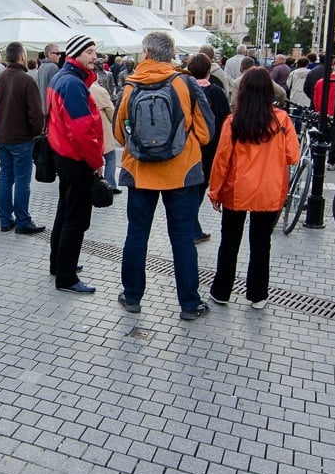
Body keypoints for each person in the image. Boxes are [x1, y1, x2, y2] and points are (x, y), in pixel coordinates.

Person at [113, 32, 215, 320]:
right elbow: (206, 132)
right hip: (181, 173)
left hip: (140, 172)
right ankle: (189, 304)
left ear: (145, 53)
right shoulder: (186, 83)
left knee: (136, 235)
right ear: (171, 54)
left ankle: (132, 296)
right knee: (182, 238)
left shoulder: (131, 85)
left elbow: (120, 132)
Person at [209, 67, 299, 309]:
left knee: (229, 241)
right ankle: (257, 295)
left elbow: (221, 160)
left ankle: (221, 291)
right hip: (269, 191)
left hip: (236, 189)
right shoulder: (282, 120)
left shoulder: (233, 121)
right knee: (261, 244)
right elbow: (293, 155)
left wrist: (215, 191)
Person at [47, 34, 105, 294]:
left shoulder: (62, 78)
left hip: (64, 155)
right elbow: (82, 130)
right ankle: (67, 277)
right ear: (77, 53)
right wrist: (96, 161)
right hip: (76, 158)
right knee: (76, 218)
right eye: (90, 51)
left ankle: (59, 265)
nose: (94, 56)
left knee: (65, 212)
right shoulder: (72, 84)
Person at [0, 41, 46, 234]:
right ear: (22, 56)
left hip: (3, 135)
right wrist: (35, 133)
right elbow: (36, 114)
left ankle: (5, 219)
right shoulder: (26, 80)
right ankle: (22, 220)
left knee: (6, 177)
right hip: (21, 137)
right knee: (22, 180)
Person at [187, 53, 231, 245]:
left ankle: (192, 226)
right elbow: (225, 122)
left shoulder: (184, 90)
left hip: (188, 148)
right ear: (207, 71)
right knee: (200, 187)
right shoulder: (217, 93)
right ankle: (192, 228)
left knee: (192, 187)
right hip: (211, 148)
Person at [89, 72, 119, 193]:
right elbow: (110, 110)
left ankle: (92, 182)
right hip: (102, 127)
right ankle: (110, 184)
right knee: (110, 157)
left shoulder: (80, 87)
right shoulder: (100, 91)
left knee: (91, 157)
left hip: (88, 129)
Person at [313, 59, 335, 170]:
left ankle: (319, 160)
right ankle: (331, 162)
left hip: (322, 114)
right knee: (334, 140)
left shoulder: (320, 82)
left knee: (322, 137)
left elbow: (316, 98)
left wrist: (318, 110)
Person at [36, 44, 61, 111]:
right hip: (51, 108)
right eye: (57, 53)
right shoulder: (53, 67)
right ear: (49, 54)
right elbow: (56, 90)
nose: (60, 55)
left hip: (44, 106)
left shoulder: (41, 66)